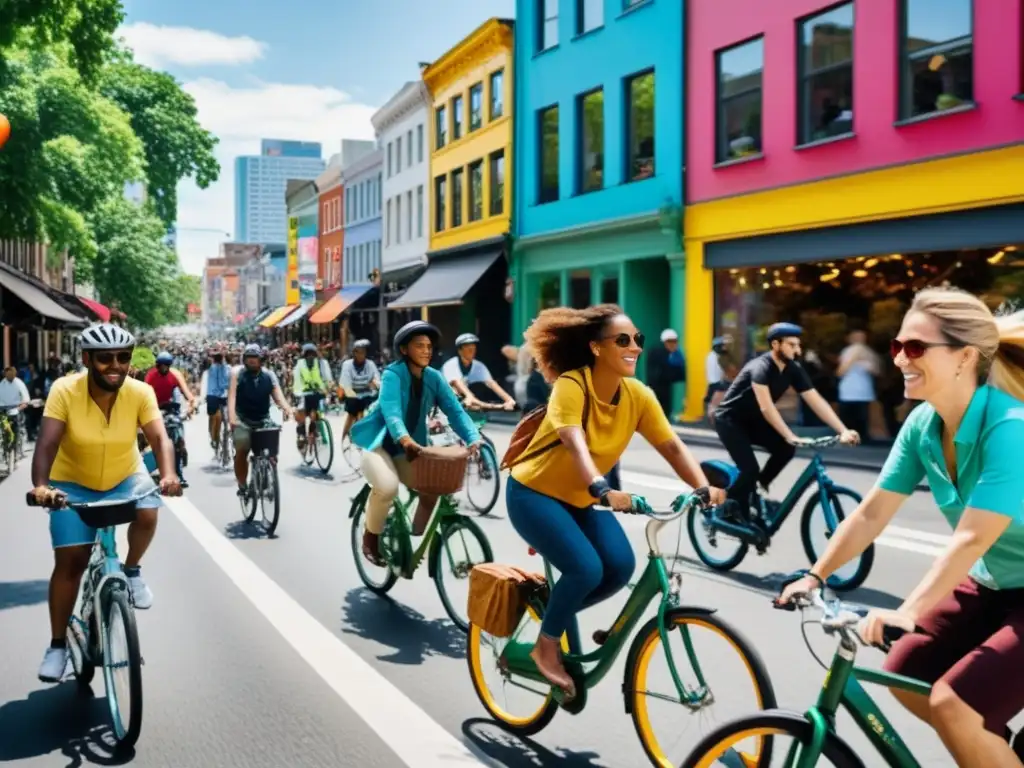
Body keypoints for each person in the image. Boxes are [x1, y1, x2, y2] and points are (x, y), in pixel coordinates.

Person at [779, 287, 1024, 768]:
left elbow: (972, 537)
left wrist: (906, 611)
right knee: (906, 674)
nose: (899, 360)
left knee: (954, 705)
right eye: (896, 347)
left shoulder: (1009, 426)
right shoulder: (922, 426)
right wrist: (815, 575)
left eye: (915, 348)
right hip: (996, 580)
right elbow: (872, 513)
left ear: (964, 357)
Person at [505, 304, 726, 698]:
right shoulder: (572, 385)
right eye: (622, 340)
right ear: (595, 347)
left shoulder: (638, 395)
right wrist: (602, 487)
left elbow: (672, 446)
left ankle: (550, 621)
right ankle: (545, 646)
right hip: (533, 494)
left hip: (579, 500)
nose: (635, 347)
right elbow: (574, 441)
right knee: (586, 569)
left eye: (638, 340)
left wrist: (702, 486)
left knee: (620, 567)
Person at [29, 324, 182, 682]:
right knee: (73, 562)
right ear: (86, 359)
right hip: (72, 485)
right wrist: (41, 485)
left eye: (123, 357)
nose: (116, 365)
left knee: (149, 506)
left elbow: (160, 438)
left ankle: (131, 571)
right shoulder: (64, 390)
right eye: (105, 358)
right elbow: (48, 443)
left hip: (125, 477)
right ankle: (57, 647)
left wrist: (169, 474)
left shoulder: (140, 391)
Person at [351, 321, 483, 565]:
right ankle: (371, 539)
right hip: (381, 445)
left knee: (434, 488)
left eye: (429, 346)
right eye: (419, 346)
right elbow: (391, 412)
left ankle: (409, 541)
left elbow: (455, 411)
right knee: (388, 488)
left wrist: (474, 438)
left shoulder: (434, 377)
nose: (426, 351)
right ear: (404, 349)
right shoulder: (393, 375)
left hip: (411, 449)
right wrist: (404, 438)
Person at [713, 322, 859, 521]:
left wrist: (843, 430)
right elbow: (767, 407)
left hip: (754, 421)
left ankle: (758, 489)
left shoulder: (793, 369)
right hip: (730, 420)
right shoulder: (760, 367)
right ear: (775, 344)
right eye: (792, 345)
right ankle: (726, 509)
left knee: (785, 449)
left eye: (798, 345)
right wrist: (790, 435)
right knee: (750, 469)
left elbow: (816, 400)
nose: (797, 350)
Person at [227, 344, 293, 497]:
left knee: (271, 450)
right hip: (242, 419)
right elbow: (232, 397)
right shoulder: (237, 374)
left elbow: (278, 396)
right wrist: (232, 418)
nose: (251, 361)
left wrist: (288, 409)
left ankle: (267, 471)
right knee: (242, 450)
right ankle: (242, 485)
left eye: (255, 358)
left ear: (261, 360)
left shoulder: (269, 376)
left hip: (263, 419)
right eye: (248, 358)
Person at [441, 333, 516, 410]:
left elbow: (491, 383)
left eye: (473, 347)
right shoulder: (450, 364)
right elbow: (457, 383)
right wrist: (470, 397)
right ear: (460, 350)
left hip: (467, 400)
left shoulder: (479, 366)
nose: (471, 350)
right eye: (467, 347)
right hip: (444, 400)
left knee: (478, 389)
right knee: (455, 390)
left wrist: (509, 399)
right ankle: (491, 406)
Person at [837, 329, 881, 444]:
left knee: (862, 417)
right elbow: (840, 372)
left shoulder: (869, 353)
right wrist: (854, 357)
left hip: (863, 391)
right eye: (856, 338)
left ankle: (862, 438)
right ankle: (846, 437)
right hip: (847, 391)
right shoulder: (846, 352)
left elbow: (877, 371)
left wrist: (866, 360)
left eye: (862, 337)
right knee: (847, 417)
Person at [292, 342, 334, 451]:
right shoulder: (299, 365)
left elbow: (328, 378)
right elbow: (297, 381)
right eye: (308, 354)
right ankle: (301, 434)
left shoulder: (321, 363)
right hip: (304, 394)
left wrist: (328, 389)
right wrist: (299, 391)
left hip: (317, 394)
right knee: (301, 411)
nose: (310, 356)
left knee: (315, 414)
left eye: (312, 354)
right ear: (304, 356)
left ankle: (314, 430)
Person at [339, 339, 380, 441]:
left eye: (363, 352)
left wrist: (376, 385)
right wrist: (351, 394)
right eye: (358, 352)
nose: (361, 355)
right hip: (352, 394)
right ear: (354, 353)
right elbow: (345, 383)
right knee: (351, 415)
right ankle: (344, 438)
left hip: (367, 394)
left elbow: (376, 379)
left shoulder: (370, 364)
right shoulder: (347, 365)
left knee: (372, 412)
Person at [645, 328, 686, 419]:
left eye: (675, 342)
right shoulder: (659, 353)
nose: (673, 345)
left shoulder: (668, 354)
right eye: (671, 342)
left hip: (663, 386)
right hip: (657, 386)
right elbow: (664, 372)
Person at [205, 349, 232, 450]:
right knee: (216, 417)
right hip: (216, 396)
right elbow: (223, 383)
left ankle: (215, 437)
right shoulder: (220, 368)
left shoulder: (222, 368)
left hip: (217, 396)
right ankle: (214, 438)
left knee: (217, 417)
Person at [0, 365, 30, 440]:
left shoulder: (19, 383)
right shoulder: (2, 384)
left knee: (16, 426)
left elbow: (26, 399)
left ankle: (17, 442)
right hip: (4, 409)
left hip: (17, 408)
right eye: (7, 374)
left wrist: (19, 408)